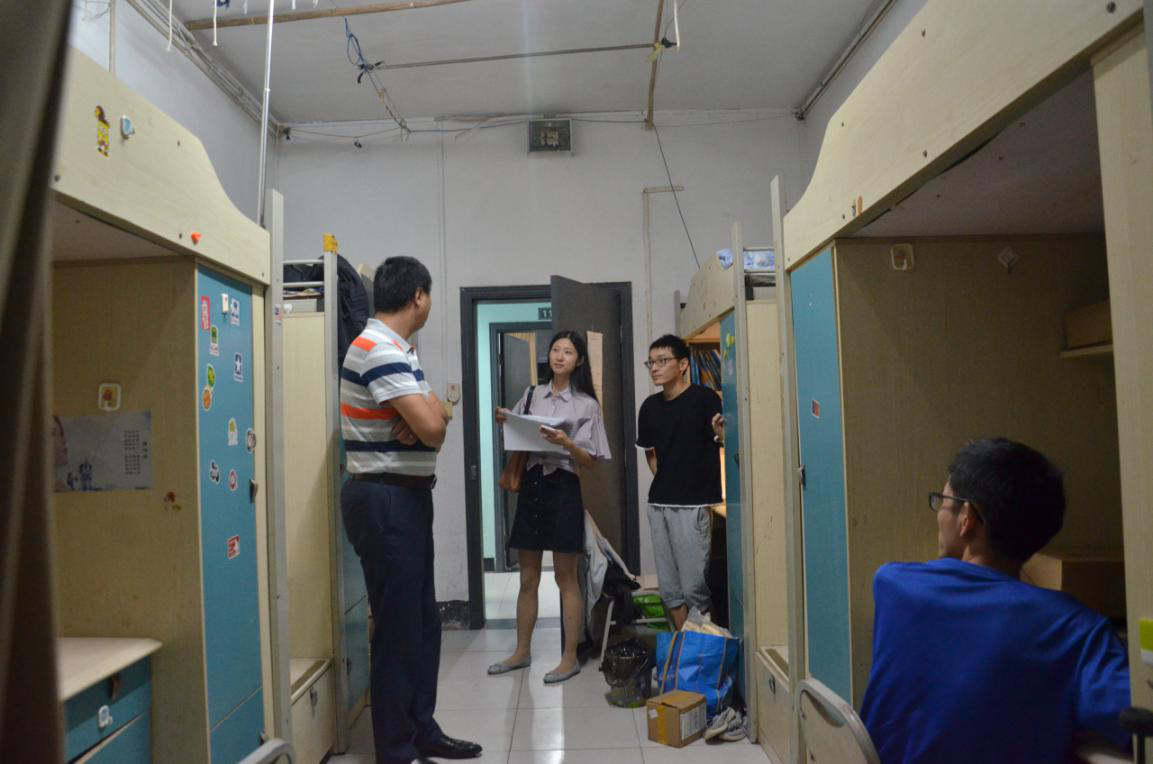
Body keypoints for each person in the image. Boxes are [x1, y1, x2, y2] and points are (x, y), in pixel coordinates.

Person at [860, 438, 1131, 764]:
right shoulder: (1076, 629)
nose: (939, 513)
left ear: (967, 518)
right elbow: (1133, 719)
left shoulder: (894, 585)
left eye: (943, 501)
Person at [340, 256, 481, 763]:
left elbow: (436, 413)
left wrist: (428, 415)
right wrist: (427, 419)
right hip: (385, 499)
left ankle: (422, 728)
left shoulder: (401, 349)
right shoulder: (378, 348)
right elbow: (436, 428)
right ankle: (396, 751)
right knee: (399, 630)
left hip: (406, 497)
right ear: (419, 296)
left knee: (422, 623)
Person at [487, 330, 611, 684]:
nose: (559, 356)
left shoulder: (587, 405)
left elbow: (590, 461)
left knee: (564, 577)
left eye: (567, 352)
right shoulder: (531, 394)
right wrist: (505, 418)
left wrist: (566, 442)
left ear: (579, 360)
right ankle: (521, 652)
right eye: (555, 350)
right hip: (532, 484)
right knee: (528, 577)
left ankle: (569, 658)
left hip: (564, 486)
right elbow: (516, 432)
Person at [636, 334, 724, 630]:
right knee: (671, 589)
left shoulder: (705, 399)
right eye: (651, 362)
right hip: (658, 504)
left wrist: (721, 433)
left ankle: (703, 648)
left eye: (662, 361)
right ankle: (684, 647)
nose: (654, 368)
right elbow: (650, 452)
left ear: (683, 364)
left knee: (693, 588)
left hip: (693, 505)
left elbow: (723, 438)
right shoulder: (649, 407)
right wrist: (667, 478)